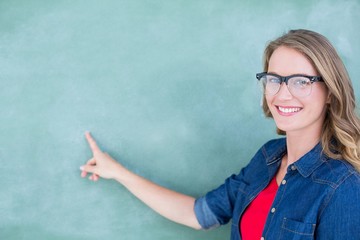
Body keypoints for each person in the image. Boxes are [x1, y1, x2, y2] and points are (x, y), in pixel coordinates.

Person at [80, 29, 360, 239]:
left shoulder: (343, 186)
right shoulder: (267, 158)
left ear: (330, 92)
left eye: (301, 81)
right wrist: (117, 172)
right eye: (274, 79)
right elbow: (199, 213)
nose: (282, 94)